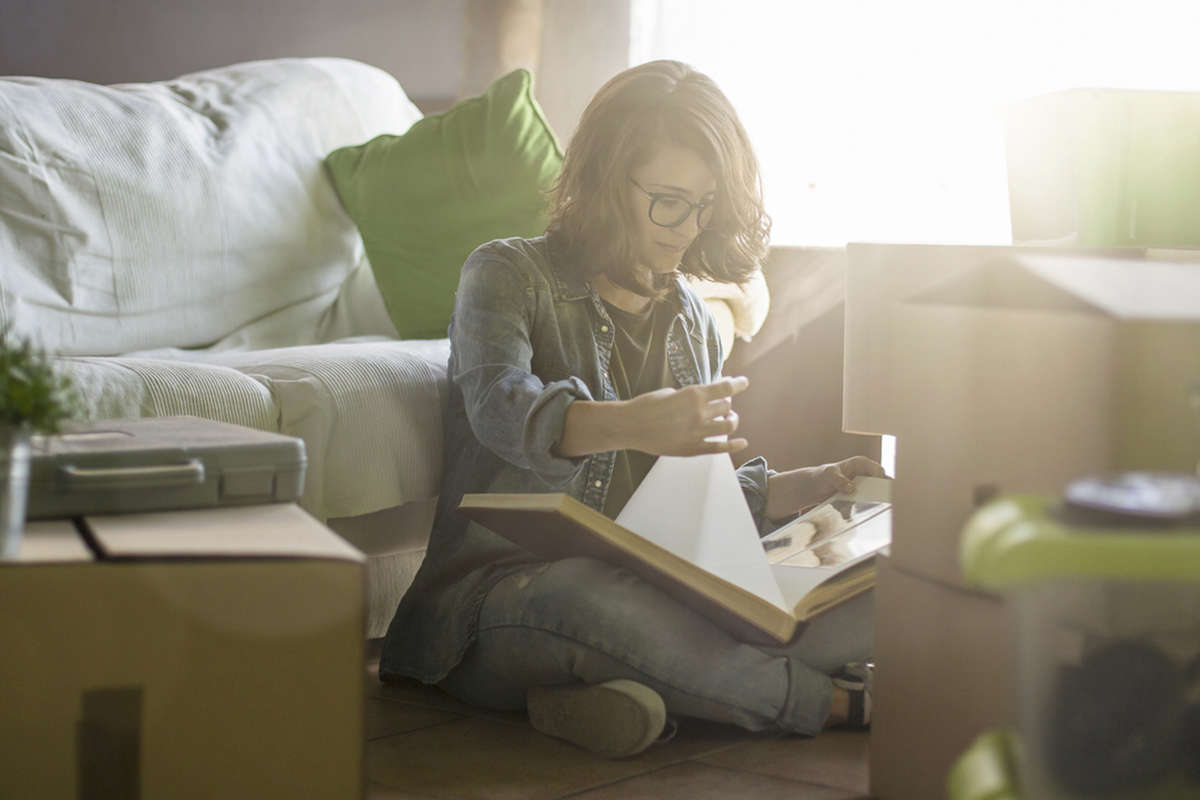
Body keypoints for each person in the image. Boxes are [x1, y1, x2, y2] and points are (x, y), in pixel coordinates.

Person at [380, 59, 888, 758]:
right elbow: (502, 409)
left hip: (648, 593)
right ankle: (835, 701)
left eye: (705, 204)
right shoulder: (504, 273)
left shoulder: (689, 316)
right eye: (669, 200)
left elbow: (675, 504)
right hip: (498, 602)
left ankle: (617, 691)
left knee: (865, 586)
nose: (687, 227)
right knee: (593, 602)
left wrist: (803, 490)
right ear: (601, 178)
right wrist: (634, 422)